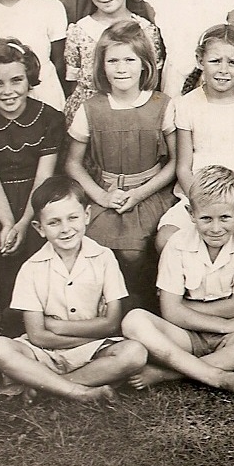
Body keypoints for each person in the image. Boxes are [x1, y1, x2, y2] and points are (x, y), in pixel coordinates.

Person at [0, 175, 148, 404]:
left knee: (135, 353)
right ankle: (80, 391)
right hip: (44, 353)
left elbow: (111, 323)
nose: (66, 229)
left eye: (73, 218)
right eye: (54, 222)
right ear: (39, 228)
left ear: (87, 216)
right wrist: (88, 332)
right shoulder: (31, 268)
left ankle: (46, 387)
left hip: (93, 352)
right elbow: (37, 335)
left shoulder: (104, 258)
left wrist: (57, 326)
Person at [121, 165, 234, 397]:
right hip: (187, 333)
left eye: (224, 217)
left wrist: (183, 308)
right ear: (191, 213)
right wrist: (225, 324)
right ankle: (215, 375)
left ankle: (168, 373)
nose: (215, 228)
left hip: (229, 338)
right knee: (134, 320)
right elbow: (170, 313)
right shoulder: (177, 243)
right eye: (206, 218)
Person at [63, 21, 177, 307]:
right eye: (112, 61)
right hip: (106, 192)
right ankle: (104, 308)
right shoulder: (90, 108)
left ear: (145, 65)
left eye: (129, 60)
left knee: (133, 252)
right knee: (93, 245)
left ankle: (141, 306)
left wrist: (138, 194)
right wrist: (101, 195)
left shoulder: (162, 105)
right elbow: (73, 164)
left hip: (149, 192)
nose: (121, 68)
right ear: (102, 67)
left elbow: (176, 162)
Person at [0, 39, 65, 335]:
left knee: (38, 244)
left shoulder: (49, 118)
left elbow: (44, 176)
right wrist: (8, 221)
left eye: (16, 80)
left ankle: (38, 312)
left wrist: (23, 222)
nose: (8, 91)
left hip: (39, 196)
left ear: (29, 78)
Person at [157, 24, 234, 251]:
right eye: (215, 61)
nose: (223, 69)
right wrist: (204, 207)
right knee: (166, 238)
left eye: (232, 62)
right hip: (198, 197)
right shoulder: (186, 105)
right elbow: (183, 167)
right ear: (200, 61)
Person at [63, 0, 164, 124]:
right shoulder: (79, 31)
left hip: (134, 117)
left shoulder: (146, 30)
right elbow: (73, 83)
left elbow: (152, 81)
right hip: (88, 119)